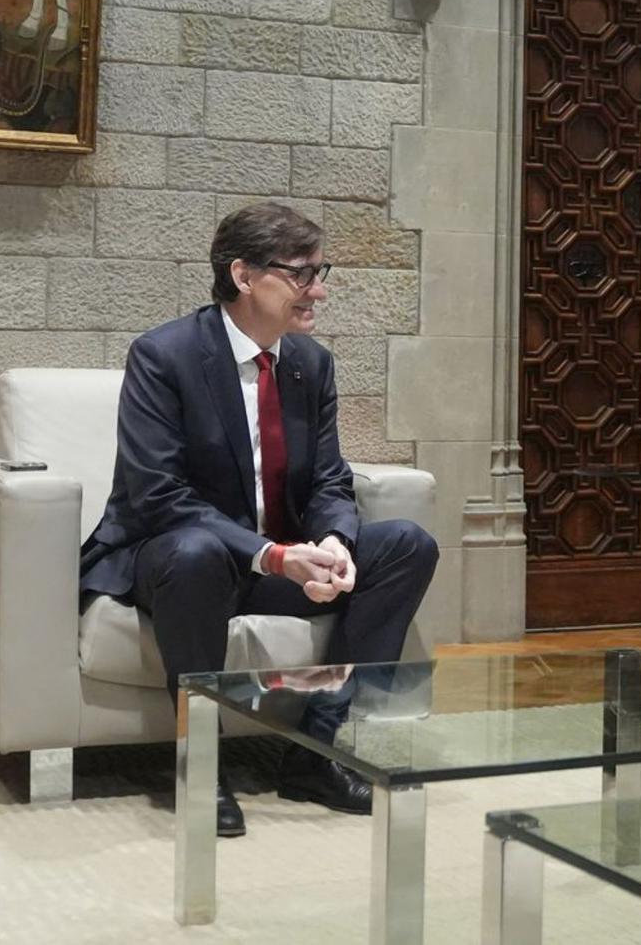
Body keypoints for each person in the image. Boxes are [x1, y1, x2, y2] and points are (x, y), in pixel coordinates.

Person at [80, 201, 439, 838]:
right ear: (244, 276)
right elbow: (159, 494)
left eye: (319, 271)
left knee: (407, 544)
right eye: (302, 274)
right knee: (194, 552)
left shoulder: (310, 365)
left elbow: (330, 477)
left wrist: (333, 541)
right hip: (172, 558)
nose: (319, 290)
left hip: (277, 558)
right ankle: (204, 764)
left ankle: (315, 754)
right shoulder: (164, 356)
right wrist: (273, 555)